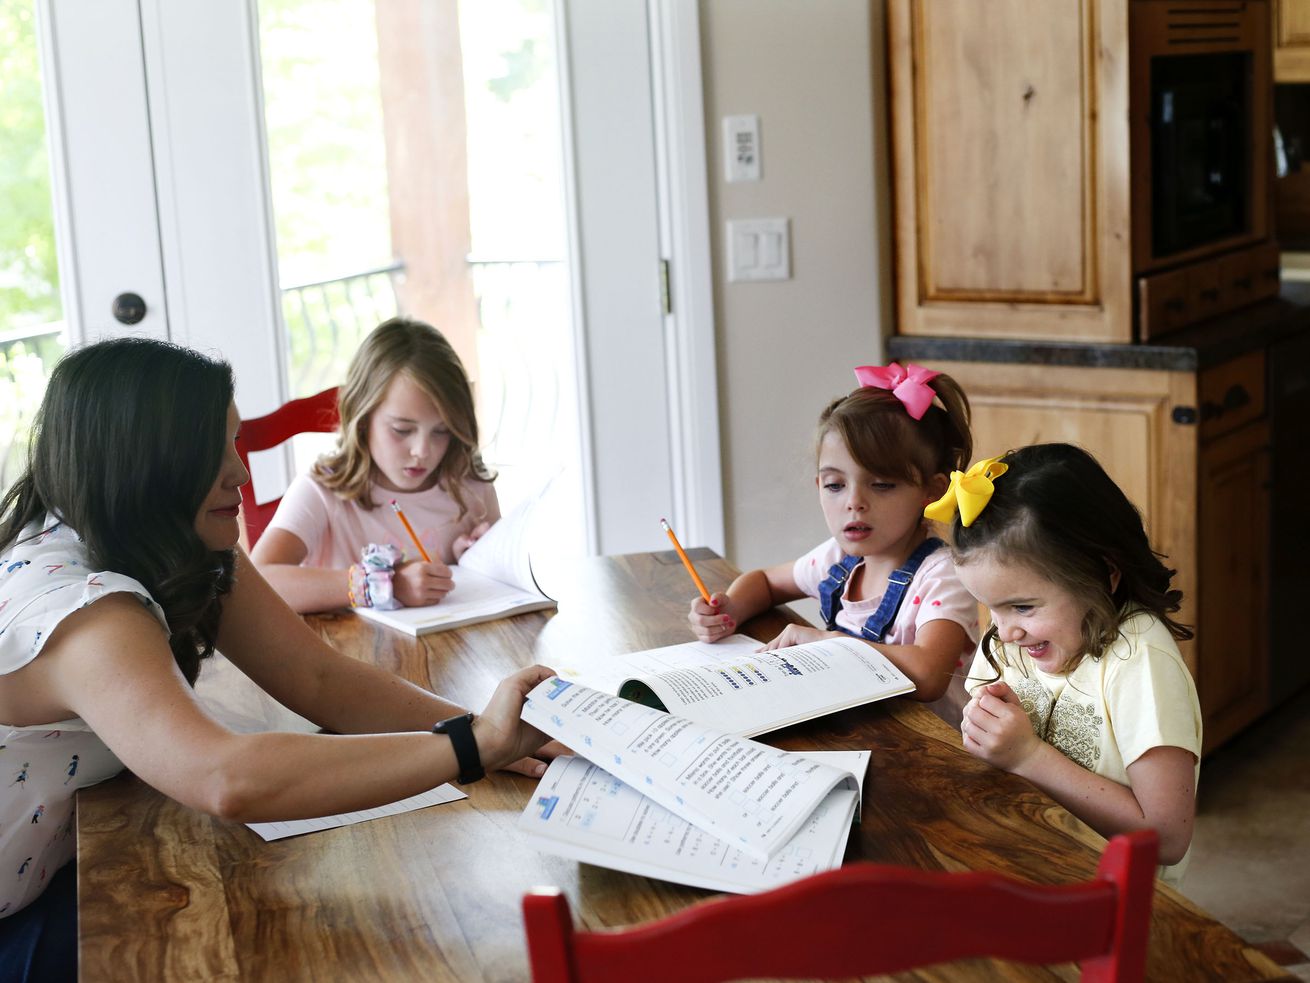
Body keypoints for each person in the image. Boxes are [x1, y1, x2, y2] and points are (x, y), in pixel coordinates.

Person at [0, 338, 555, 980]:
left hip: (59, 865)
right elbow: (224, 778)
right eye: (217, 450)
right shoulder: (86, 615)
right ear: (146, 463)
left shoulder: (167, 534)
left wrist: (495, 733)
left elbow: (318, 678)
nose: (241, 473)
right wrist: (474, 747)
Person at [939, 443, 1202, 883]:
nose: (1004, 633)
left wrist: (1027, 756)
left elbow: (1168, 839)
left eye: (1023, 607)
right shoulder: (1014, 641)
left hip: (1116, 900)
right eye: (991, 608)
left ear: (1104, 573)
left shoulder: (1142, 663)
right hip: (1032, 856)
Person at [687, 362, 980, 707]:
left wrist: (828, 644)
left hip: (931, 749)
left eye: (882, 484)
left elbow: (929, 675)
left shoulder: (944, 575)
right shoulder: (838, 560)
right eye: (835, 485)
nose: (854, 503)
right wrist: (729, 610)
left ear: (931, 490)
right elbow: (765, 582)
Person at [252, 317, 498, 613]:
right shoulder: (323, 491)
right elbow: (260, 581)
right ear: (363, 417)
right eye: (402, 430)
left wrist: (475, 559)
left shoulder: (469, 484)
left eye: (441, 431)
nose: (422, 451)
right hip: (341, 656)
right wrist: (382, 585)